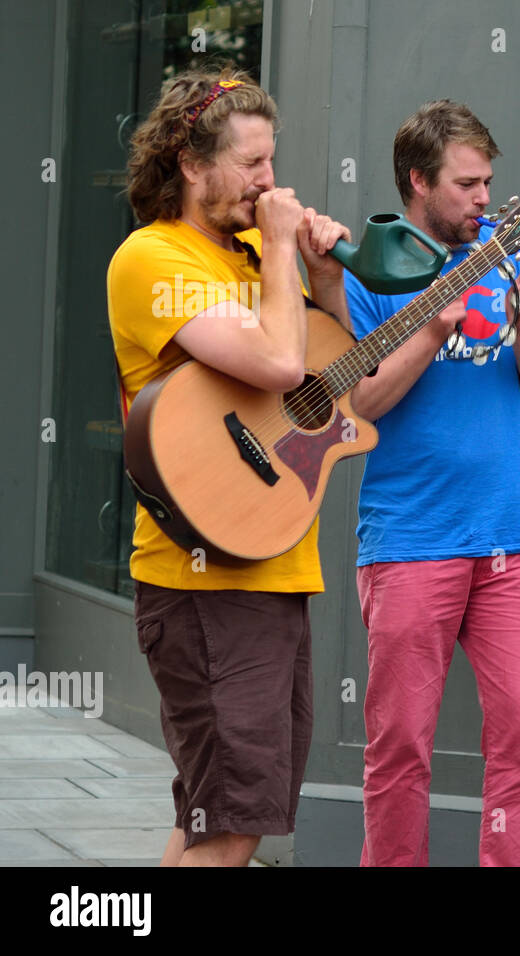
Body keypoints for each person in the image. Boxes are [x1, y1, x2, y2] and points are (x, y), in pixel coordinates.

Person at [107, 67, 352, 866]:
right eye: (251, 164)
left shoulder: (259, 258)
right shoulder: (153, 258)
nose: (269, 182)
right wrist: (281, 244)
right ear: (190, 163)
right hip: (203, 580)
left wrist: (320, 276)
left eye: (272, 163)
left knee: (212, 815)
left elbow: (342, 380)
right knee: (236, 821)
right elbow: (278, 363)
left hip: (273, 567)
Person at [345, 100, 520, 867]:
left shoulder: (503, 259)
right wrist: (436, 319)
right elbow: (360, 401)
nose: (483, 199)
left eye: (488, 184)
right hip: (410, 537)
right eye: (468, 184)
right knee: (400, 747)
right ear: (418, 180)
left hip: (513, 535)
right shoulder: (370, 269)